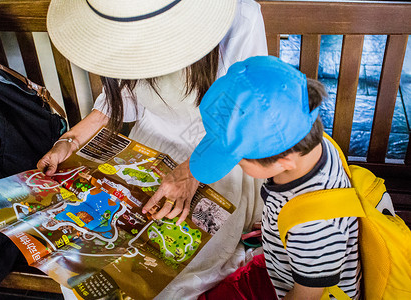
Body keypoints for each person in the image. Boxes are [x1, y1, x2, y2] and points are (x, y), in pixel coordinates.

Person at [38, 0, 268, 298]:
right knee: (85, 263)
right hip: (146, 148)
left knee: (171, 275)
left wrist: (191, 171)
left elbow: (244, 113)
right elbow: (119, 98)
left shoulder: (242, 16)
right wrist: (68, 142)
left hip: (215, 153)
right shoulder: (117, 12)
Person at [189, 56, 362, 299]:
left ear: (283, 162)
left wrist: (289, 227)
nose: (236, 166)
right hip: (282, 264)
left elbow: (307, 296)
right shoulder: (310, 141)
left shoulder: (311, 230)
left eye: (239, 160)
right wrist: (277, 226)